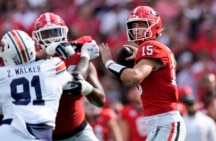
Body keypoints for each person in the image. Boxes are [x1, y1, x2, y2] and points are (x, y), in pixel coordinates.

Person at [100, 6, 186, 141]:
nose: (136, 29)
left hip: (166, 122)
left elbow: (134, 76)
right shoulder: (149, 50)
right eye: (133, 25)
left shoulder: (151, 46)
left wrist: (109, 63)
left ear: (153, 25)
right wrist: (140, 57)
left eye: (141, 24)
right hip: (156, 124)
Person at [0, 29, 91, 141]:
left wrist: (50, 49)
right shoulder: (53, 66)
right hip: (37, 134)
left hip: (7, 131)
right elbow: (77, 80)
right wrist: (85, 56)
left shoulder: (2, 75)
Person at [32, 12, 106, 141]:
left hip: (79, 131)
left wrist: (86, 88)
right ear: (36, 38)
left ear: (64, 33)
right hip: (42, 136)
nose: (52, 39)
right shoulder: (32, 63)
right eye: (46, 35)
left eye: (55, 33)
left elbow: (100, 100)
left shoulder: (78, 58)